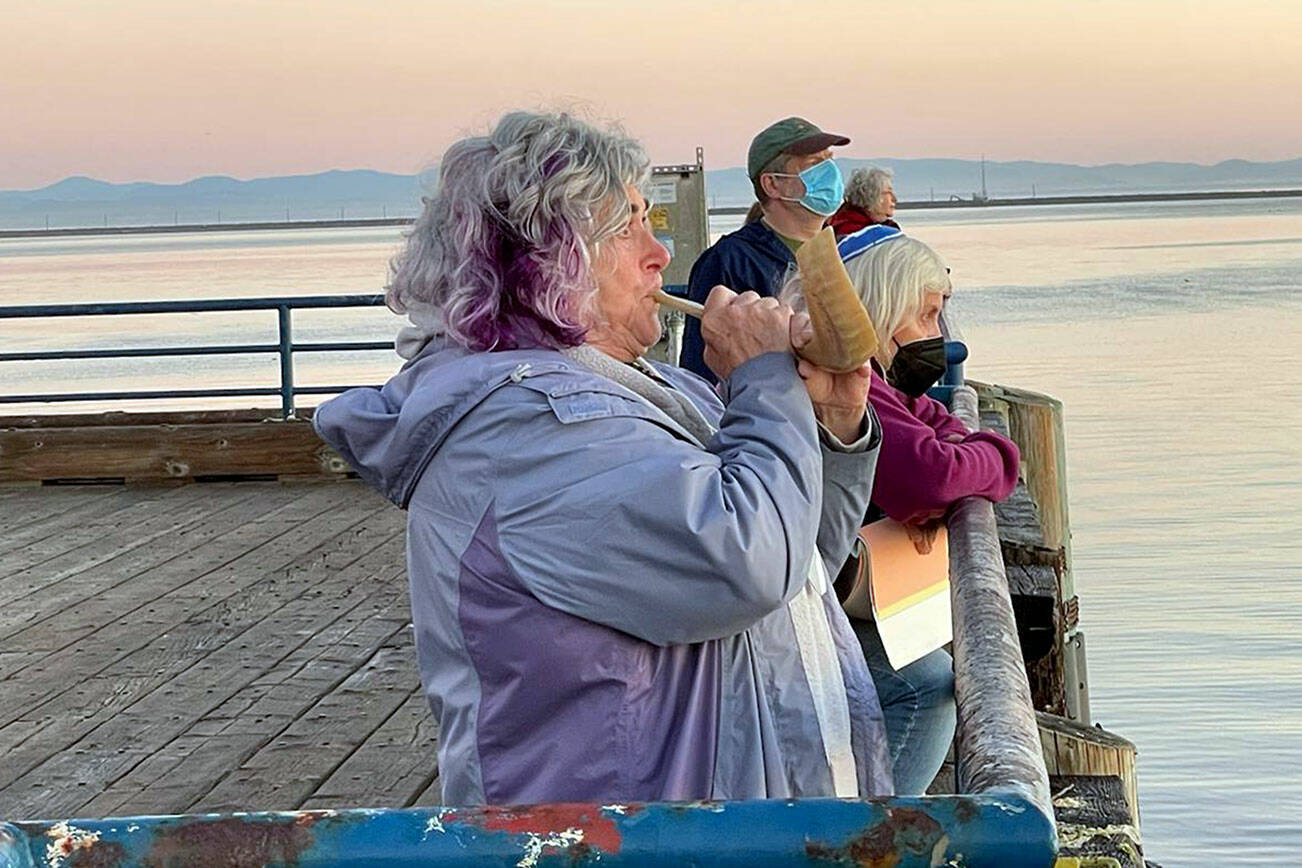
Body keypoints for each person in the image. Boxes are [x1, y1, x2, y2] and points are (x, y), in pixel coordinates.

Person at [313, 111, 894, 806]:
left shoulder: (655, 390)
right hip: (627, 842)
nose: (660, 251)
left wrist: (829, 424)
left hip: (723, 822)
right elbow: (748, 560)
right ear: (546, 258)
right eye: (629, 225)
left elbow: (799, 569)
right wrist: (764, 380)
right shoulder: (530, 434)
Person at [784, 229, 1020, 794]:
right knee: (927, 684)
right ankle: (873, 834)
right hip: (797, 606)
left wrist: (966, 455)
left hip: (822, 592)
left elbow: (942, 434)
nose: (938, 338)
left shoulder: (886, 388)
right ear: (882, 309)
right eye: (927, 317)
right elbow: (932, 475)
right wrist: (999, 454)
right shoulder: (851, 383)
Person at [678, 117, 851, 382]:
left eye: (830, 160)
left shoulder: (844, 253)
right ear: (772, 184)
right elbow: (700, 375)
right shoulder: (730, 262)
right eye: (815, 164)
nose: (830, 173)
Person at [828, 166, 899, 237]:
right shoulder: (850, 232)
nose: (894, 199)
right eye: (887, 192)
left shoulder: (884, 227)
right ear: (870, 195)